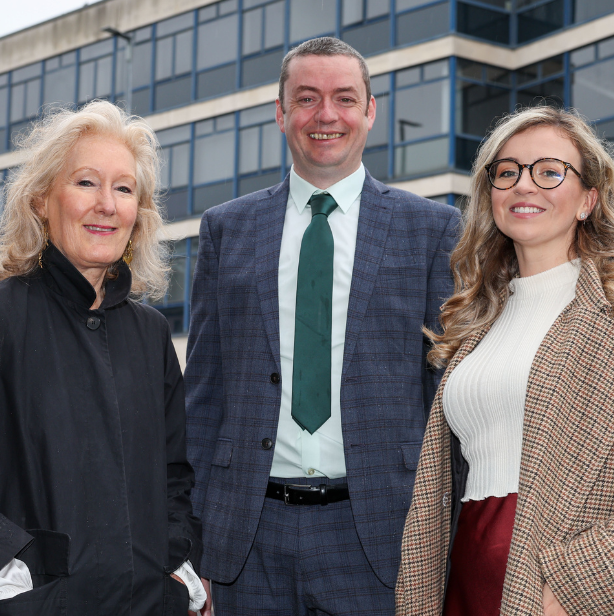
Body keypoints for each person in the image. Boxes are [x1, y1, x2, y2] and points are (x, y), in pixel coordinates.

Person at [0, 100, 206, 616]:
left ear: (139, 214)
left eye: (123, 188)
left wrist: (176, 571)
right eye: (86, 183)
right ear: (39, 201)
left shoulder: (152, 333)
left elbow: (175, 479)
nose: (106, 204)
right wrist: (9, 584)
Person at [394, 106, 614, 616]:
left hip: (556, 590)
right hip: (462, 573)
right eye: (507, 172)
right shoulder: (478, 321)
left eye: (550, 172)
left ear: (587, 200)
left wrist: (576, 589)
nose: (524, 185)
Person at [184, 37, 460, 614]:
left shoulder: (432, 230)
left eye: (344, 98)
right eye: (306, 99)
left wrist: (444, 540)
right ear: (282, 114)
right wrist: (197, 544)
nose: (326, 115)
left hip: (383, 539)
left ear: (370, 111)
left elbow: (446, 398)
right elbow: (205, 395)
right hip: (246, 542)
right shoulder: (224, 230)